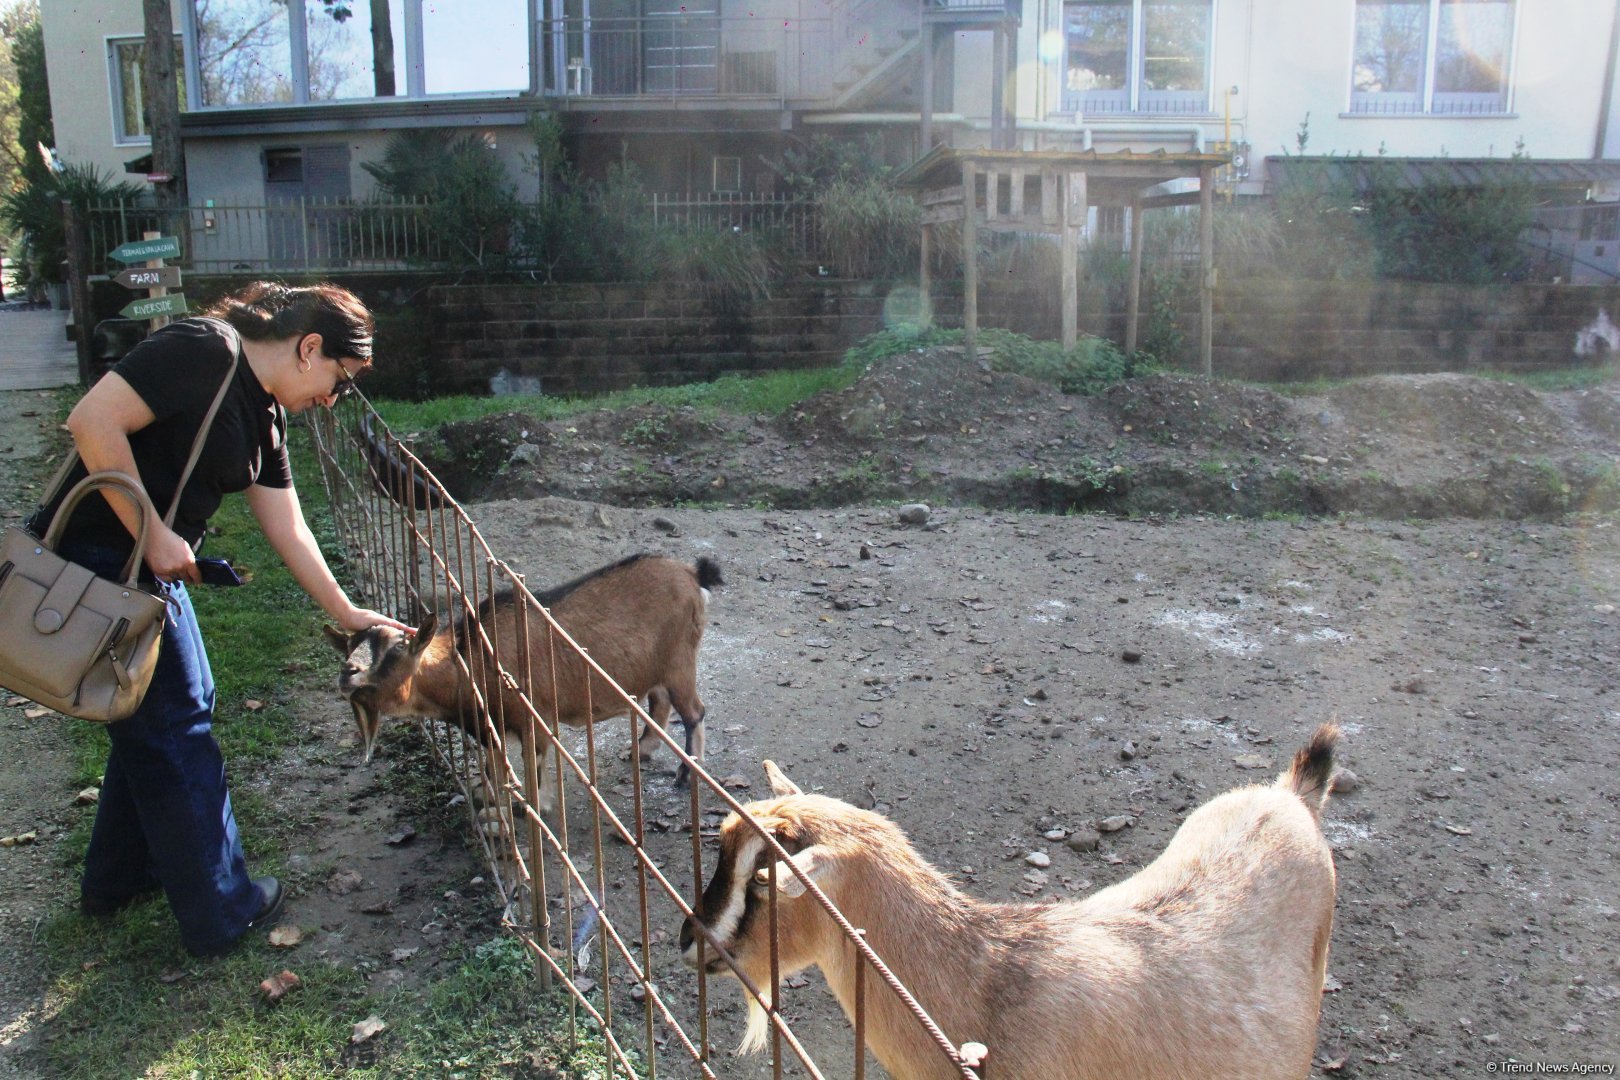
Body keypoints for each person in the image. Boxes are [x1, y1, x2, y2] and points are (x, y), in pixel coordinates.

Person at [34, 281, 407, 957]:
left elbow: (288, 526)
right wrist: (152, 535)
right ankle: (220, 909)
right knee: (178, 724)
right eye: (339, 379)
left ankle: (119, 877)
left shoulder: (266, 416)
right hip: (101, 561)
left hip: (140, 572)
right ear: (309, 348)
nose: (333, 398)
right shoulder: (203, 349)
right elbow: (92, 421)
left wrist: (347, 611)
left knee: (168, 709)